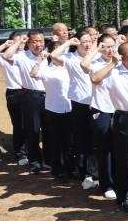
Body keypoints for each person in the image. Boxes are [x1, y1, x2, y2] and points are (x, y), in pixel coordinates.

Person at [93, 40, 128, 212]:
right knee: (123, 160)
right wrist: (112, 63)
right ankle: (124, 197)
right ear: (123, 56)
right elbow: (95, 79)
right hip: (124, 118)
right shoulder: (113, 73)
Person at [6, 30, 48, 173]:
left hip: (50, 96)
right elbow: (7, 56)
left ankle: (49, 160)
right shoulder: (22, 56)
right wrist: (19, 41)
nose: (38, 44)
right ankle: (35, 162)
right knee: (33, 130)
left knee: (49, 130)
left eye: (41, 41)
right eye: (35, 41)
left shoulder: (48, 55)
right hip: (31, 96)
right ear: (28, 43)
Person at [83, 34, 118, 199]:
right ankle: (107, 184)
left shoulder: (121, 62)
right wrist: (112, 63)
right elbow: (95, 79)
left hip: (119, 110)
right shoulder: (96, 63)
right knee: (104, 149)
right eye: (106, 47)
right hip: (102, 109)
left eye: (112, 46)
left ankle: (119, 181)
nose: (110, 50)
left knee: (119, 148)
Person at [63, 30, 98, 189]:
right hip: (79, 103)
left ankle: (95, 173)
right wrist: (68, 42)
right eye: (84, 41)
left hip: (97, 103)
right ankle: (84, 173)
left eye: (90, 41)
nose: (87, 44)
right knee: (82, 140)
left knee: (96, 139)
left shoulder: (97, 57)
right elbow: (54, 55)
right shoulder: (70, 58)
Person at [34, 39, 72, 180]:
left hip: (70, 107)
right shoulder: (46, 68)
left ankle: (69, 168)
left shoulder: (69, 67)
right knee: (56, 140)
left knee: (69, 141)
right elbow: (33, 74)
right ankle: (57, 168)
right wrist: (40, 60)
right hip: (53, 109)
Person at [0, 33, 27, 164]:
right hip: (15, 93)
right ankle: (21, 154)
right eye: (18, 41)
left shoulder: (29, 55)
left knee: (33, 125)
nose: (21, 43)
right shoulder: (6, 57)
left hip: (31, 93)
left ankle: (32, 152)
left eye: (23, 40)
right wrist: (5, 45)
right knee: (19, 125)